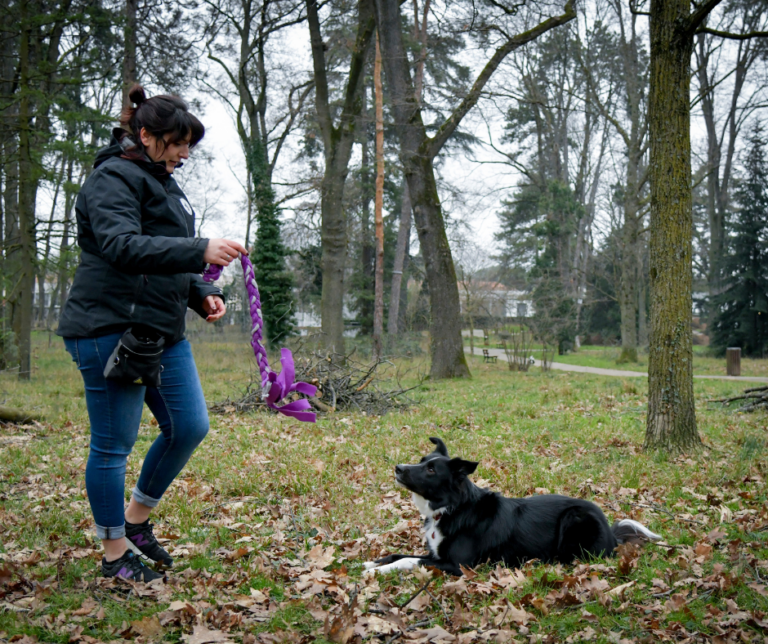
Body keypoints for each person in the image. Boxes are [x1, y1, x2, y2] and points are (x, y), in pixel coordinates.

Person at [57, 84, 247, 581]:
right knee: (113, 444)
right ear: (145, 134)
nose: (185, 154)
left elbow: (164, 254)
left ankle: (136, 520)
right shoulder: (112, 178)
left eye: (189, 145)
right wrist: (199, 249)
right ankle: (115, 551)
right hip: (108, 327)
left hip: (159, 329)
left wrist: (197, 292)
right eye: (178, 143)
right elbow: (122, 246)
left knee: (189, 426)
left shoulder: (163, 181)